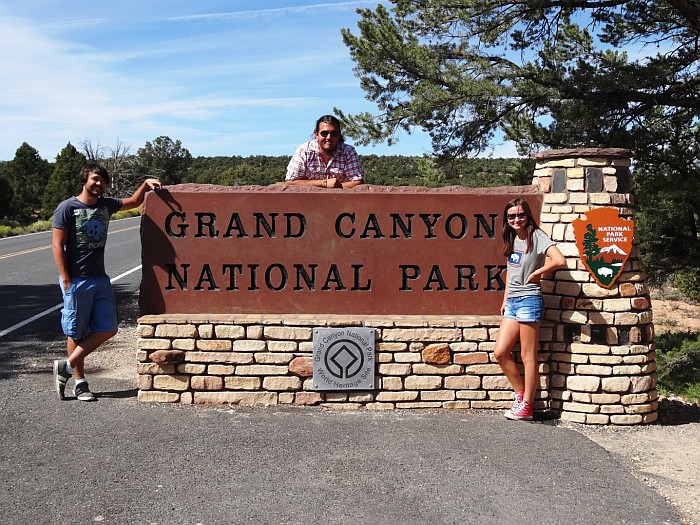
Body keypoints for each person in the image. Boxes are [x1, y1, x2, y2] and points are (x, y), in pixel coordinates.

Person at [52, 162, 161, 401]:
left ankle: (66, 365)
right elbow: (57, 245)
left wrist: (145, 184)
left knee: (109, 327)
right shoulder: (67, 208)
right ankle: (80, 383)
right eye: (95, 179)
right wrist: (66, 278)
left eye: (103, 180)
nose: (99, 184)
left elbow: (132, 202)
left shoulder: (106, 205)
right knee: (76, 333)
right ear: (84, 180)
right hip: (77, 280)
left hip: (100, 278)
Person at [493, 198, 566, 421]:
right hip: (513, 302)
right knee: (500, 352)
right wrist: (505, 298)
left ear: (528, 216)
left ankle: (526, 406)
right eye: (512, 216)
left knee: (528, 355)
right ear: (507, 219)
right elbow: (511, 272)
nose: (517, 219)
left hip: (529, 300)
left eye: (521, 215)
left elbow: (559, 260)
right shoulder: (512, 238)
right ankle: (520, 395)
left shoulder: (536, 236)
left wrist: (537, 274)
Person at [285, 114, 364, 189]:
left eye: (334, 133)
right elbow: (290, 181)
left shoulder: (348, 152)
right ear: (316, 134)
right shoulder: (304, 151)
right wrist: (324, 183)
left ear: (339, 135)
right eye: (324, 133)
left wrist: (336, 187)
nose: (329, 137)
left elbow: (358, 182)